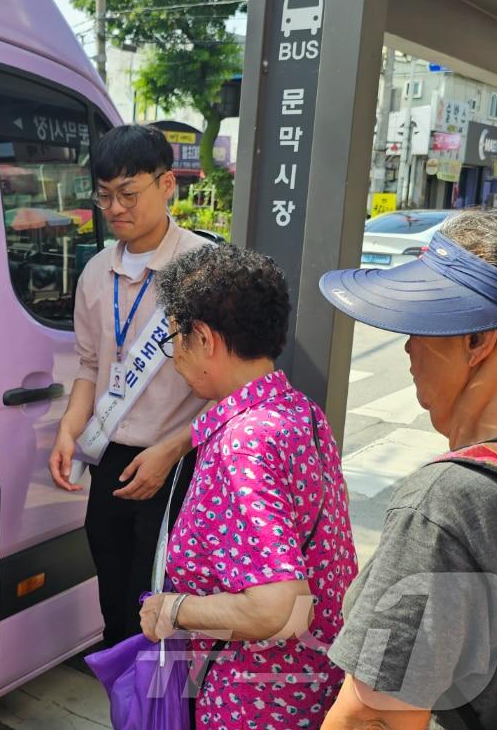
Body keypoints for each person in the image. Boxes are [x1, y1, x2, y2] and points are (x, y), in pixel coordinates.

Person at [321, 209, 497, 730]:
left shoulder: (450, 502)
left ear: (478, 342)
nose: (408, 345)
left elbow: (372, 717)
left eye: (424, 324)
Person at [139, 243, 358, 729]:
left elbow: (281, 607)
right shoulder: (296, 411)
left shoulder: (243, 444)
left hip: (253, 701)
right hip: (309, 685)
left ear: (204, 339)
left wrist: (173, 608)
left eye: (175, 337)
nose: (174, 354)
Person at [48, 124, 208, 646]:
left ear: (167, 186)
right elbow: (91, 367)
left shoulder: (205, 270)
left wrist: (171, 450)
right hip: (112, 461)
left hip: (180, 465)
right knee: (115, 608)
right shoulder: (95, 273)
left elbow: (236, 391)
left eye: (128, 194)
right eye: (104, 196)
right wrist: (69, 431)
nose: (115, 208)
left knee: (162, 612)